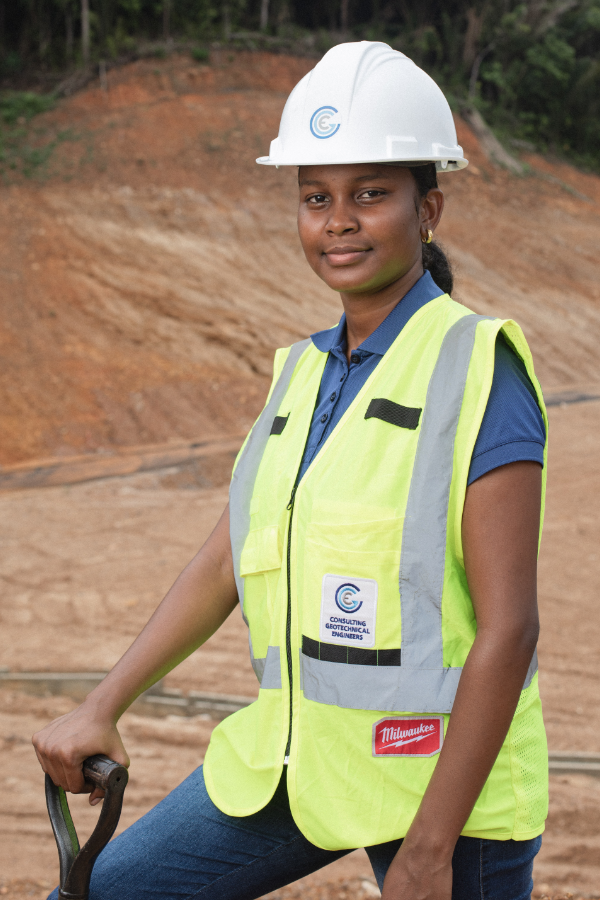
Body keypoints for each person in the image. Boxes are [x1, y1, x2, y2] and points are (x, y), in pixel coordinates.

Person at [34, 42, 548, 900]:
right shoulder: (301, 375)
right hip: (295, 765)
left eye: (370, 194)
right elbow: (230, 557)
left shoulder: (477, 366)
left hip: (447, 796)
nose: (338, 220)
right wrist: (103, 701)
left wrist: (429, 852)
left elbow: (510, 630)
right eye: (317, 197)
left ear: (429, 210)